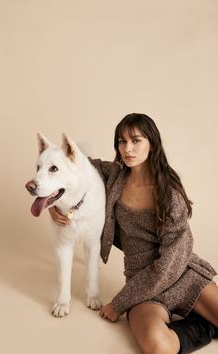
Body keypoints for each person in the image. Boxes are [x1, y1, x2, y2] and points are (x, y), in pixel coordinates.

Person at [49, 113, 218, 354]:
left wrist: (119, 303)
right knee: (157, 347)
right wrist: (54, 204)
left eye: (136, 140)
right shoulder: (114, 176)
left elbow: (170, 263)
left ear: (152, 143)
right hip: (140, 282)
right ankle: (206, 326)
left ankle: (203, 314)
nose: (127, 148)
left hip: (181, 273)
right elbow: (73, 167)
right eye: (121, 141)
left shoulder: (170, 195)